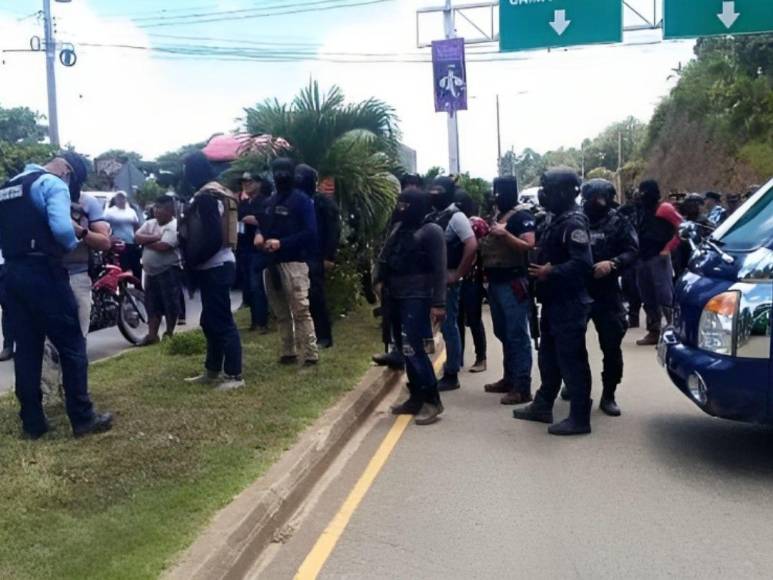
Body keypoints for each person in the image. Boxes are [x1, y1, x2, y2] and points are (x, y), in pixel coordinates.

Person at [0, 152, 113, 438]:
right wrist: (72, 239)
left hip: (11, 272)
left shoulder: (8, 186)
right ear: (67, 170)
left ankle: (33, 424)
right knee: (72, 344)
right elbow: (63, 230)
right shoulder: (52, 183)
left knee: (26, 350)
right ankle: (83, 418)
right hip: (43, 271)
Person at [512, 168, 594, 436]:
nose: (543, 194)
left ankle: (580, 418)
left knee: (572, 360)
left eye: (548, 189)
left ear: (563, 192)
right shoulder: (554, 219)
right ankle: (543, 404)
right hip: (552, 300)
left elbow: (583, 264)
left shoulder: (574, 223)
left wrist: (551, 271)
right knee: (548, 356)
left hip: (569, 302)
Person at [376, 187, 447, 425]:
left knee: (415, 348)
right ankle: (415, 396)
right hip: (395, 295)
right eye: (400, 204)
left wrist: (439, 303)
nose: (401, 209)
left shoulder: (431, 231)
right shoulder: (399, 228)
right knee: (404, 348)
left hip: (417, 297)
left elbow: (440, 270)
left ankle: (432, 399)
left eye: (407, 205)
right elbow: (387, 257)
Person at [571, 179, 638, 416]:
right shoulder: (575, 218)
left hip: (607, 291)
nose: (598, 202)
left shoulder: (618, 221)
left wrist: (613, 263)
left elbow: (632, 250)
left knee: (611, 346)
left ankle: (609, 393)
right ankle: (575, 386)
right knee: (571, 344)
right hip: (578, 289)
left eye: (602, 197)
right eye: (593, 198)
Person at [179, 152, 244, 390]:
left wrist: (194, 261)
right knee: (209, 320)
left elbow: (215, 237)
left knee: (222, 320)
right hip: (216, 265)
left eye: (187, 169)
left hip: (215, 266)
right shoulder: (211, 193)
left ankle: (234, 375)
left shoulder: (206, 198)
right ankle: (213, 369)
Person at [479, 176, 536, 405]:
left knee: (517, 334)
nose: (496, 197)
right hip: (495, 282)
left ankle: (522, 387)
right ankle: (509, 378)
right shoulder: (498, 217)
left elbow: (529, 245)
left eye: (499, 193)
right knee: (502, 333)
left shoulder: (521, 217)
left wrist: (506, 235)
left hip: (513, 282)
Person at [261, 158, 319, 366]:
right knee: (280, 312)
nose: (280, 176)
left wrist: (282, 243)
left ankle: (311, 353)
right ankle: (288, 351)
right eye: (277, 171)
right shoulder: (270, 201)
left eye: (284, 171)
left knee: (301, 310)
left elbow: (311, 233)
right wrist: (260, 237)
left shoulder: (302, 201)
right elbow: (263, 227)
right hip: (271, 263)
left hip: (294, 262)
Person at [426, 176, 478, 391]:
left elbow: (471, 245)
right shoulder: (434, 215)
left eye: (439, 193)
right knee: (436, 326)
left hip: (447, 278)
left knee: (449, 325)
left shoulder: (456, 217)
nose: (434, 196)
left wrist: (457, 274)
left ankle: (452, 372)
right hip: (432, 278)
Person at [296, 164, 341, 349]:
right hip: (300, 255)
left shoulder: (322, 201)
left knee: (316, 296)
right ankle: (307, 336)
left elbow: (333, 230)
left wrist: (329, 256)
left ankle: (324, 337)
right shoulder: (296, 200)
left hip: (317, 255)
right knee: (301, 297)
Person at [634, 179, 682, 345]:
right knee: (647, 296)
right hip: (642, 258)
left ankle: (674, 331)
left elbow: (682, 228)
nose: (641, 195)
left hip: (659, 258)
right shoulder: (641, 209)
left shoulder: (664, 208)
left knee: (665, 295)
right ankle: (653, 331)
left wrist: (668, 248)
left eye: (644, 192)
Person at [135, 196, 182, 345]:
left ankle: (169, 332)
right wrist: (155, 237)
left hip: (168, 270)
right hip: (150, 272)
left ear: (169, 211)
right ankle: (152, 335)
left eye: (160, 208)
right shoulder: (150, 223)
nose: (156, 211)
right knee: (151, 303)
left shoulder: (174, 226)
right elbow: (136, 237)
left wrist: (145, 241)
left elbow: (164, 247)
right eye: (155, 208)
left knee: (169, 303)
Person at [454, 189, 488, 374]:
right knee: (456, 320)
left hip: (472, 277)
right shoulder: (452, 222)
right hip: (457, 277)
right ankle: (457, 357)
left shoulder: (477, 224)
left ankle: (481, 358)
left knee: (473, 319)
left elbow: (483, 250)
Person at [237, 172, 271, 332]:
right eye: (243, 182)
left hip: (258, 248)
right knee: (248, 286)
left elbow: (269, 221)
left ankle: (262, 321)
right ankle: (254, 320)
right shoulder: (242, 204)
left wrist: (256, 220)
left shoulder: (265, 202)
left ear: (258, 183)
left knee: (256, 284)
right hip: (243, 247)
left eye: (249, 181)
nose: (245, 184)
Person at [618, 192, 643, 328]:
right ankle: (633, 317)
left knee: (636, 288)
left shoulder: (647, 212)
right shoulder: (624, 212)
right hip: (629, 253)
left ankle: (635, 317)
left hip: (642, 254)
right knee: (629, 286)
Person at [104, 191, 141, 280]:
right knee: (121, 269)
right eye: (119, 198)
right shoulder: (109, 212)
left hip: (131, 243)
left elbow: (136, 225)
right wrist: (109, 237)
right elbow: (104, 226)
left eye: (123, 198)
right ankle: (121, 289)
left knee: (136, 268)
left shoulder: (131, 211)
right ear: (115, 199)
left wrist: (137, 238)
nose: (121, 200)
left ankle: (138, 290)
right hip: (118, 244)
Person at [0, 246, 14, 361]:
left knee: (10, 306)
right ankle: (8, 345)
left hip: (9, 262)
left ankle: (11, 346)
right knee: (6, 305)